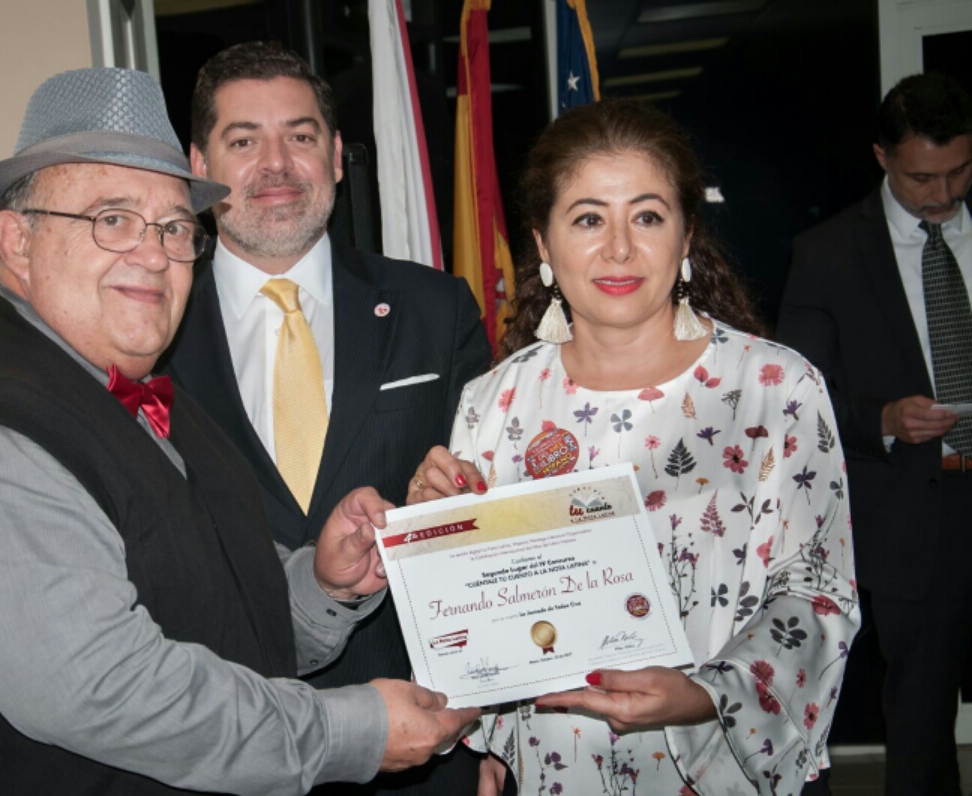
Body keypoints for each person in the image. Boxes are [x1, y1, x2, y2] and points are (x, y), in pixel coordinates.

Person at [0, 66, 479, 796]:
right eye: (112, 219)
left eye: (175, 228)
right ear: (16, 241)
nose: (153, 255)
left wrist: (321, 583)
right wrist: (353, 730)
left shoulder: (149, 402)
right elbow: (118, 691)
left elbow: (216, 608)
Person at [409, 99, 858, 795]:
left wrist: (707, 693)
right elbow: (479, 612)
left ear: (686, 238)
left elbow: (817, 593)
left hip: (725, 770)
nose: (619, 248)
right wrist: (433, 532)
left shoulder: (775, 388)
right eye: (589, 219)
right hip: (558, 771)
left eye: (647, 217)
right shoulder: (495, 402)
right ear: (544, 245)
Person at [163, 42, 491, 795]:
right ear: (198, 166)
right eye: (244, 141)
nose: (276, 164)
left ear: (338, 157)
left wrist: (495, 740)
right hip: (228, 746)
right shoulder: (150, 334)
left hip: (428, 744)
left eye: (301, 136)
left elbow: (490, 525)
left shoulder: (435, 309)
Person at [777, 72, 972, 794]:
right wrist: (883, 420)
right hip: (913, 511)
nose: (943, 194)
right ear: (882, 157)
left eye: (960, 171)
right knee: (922, 717)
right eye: (923, 177)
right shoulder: (828, 253)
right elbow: (801, 396)